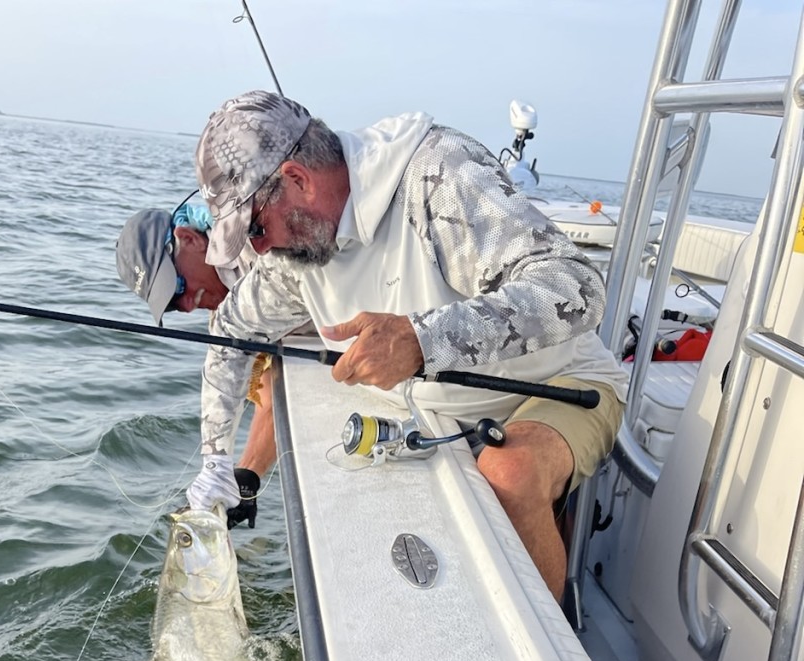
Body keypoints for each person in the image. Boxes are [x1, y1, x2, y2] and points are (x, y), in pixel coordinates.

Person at [187, 90, 629, 601]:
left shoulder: (436, 175)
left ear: (297, 179)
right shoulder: (293, 259)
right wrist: (217, 460)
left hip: (559, 384)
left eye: (257, 227)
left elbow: (576, 288)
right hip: (437, 420)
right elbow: (232, 330)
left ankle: (557, 656)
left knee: (509, 471)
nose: (258, 249)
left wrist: (424, 339)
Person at [114, 203, 272, 527]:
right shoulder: (227, 312)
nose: (186, 306)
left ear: (190, 238)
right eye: (171, 305)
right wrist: (246, 476)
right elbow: (269, 392)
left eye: (178, 287)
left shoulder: (258, 237)